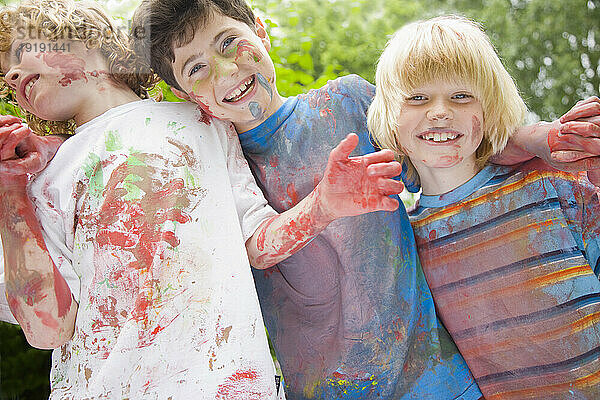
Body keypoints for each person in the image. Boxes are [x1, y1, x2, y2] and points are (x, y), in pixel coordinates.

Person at [131, 1, 600, 399]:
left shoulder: (348, 102)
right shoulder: (212, 171)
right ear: (183, 94)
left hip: (438, 378)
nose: (226, 69)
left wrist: (541, 138)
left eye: (229, 42)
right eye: (197, 68)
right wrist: (324, 206)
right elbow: (255, 246)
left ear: (260, 32)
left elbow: (437, 138)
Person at [0, 0, 405, 398]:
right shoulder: (36, 180)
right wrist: (9, 190)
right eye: (6, 78)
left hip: (229, 385)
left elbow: (258, 243)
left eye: (20, 52)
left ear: (87, 38)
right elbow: (46, 329)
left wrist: (324, 205)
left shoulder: (204, 123)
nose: (14, 75)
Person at [368, 15, 600, 400]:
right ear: (391, 118)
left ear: (489, 109)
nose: (440, 111)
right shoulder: (406, 243)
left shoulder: (551, 184)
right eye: (418, 98)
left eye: (461, 96)